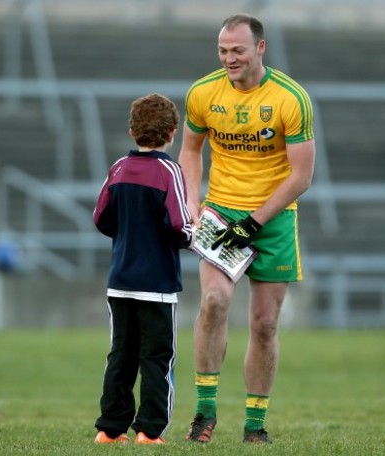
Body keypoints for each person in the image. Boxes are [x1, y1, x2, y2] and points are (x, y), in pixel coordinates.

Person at [178, 13, 316, 444]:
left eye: (237, 50)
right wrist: (192, 203)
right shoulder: (203, 92)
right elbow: (189, 151)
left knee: (264, 324)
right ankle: (204, 414)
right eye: (222, 50)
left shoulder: (292, 98)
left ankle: (255, 426)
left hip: (273, 219)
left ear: (260, 48)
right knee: (215, 302)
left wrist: (255, 221)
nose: (229, 58)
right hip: (221, 214)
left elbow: (301, 176)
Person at [92, 93, 193, 445]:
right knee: (157, 357)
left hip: (120, 280)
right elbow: (179, 225)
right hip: (157, 283)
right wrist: (196, 237)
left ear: (131, 129)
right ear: (172, 132)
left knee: (121, 353)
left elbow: (101, 218)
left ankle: (110, 428)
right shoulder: (169, 170)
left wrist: (129, 234)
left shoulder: (119, 168)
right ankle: (150, 432)